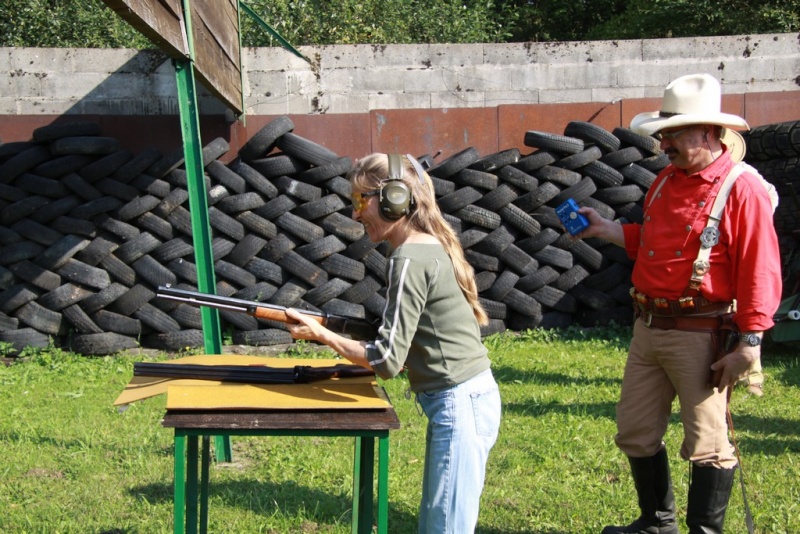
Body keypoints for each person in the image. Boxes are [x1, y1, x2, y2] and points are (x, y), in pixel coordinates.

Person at [576, 73, 782, 533]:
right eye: (663, 133)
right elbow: (656, 240)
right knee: (634, 431)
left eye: (673, 133)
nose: (663, 143)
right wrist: (609, 229)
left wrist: (750, 341)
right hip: (648, 328)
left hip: (702, 334)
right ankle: (657, 524)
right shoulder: (667, 180)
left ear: (709, 132)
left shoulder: (741, 188)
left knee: (708, 443)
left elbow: (760, 268)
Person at [285, 153, 502, 534]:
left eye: (358, 201)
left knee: (444, 528)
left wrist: (322, 335)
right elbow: (411, 339)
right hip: (466, 398)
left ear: (393, 199)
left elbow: (386, 360)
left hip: (459, 402)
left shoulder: (409, 257)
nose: (355, 215)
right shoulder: (426, 245)